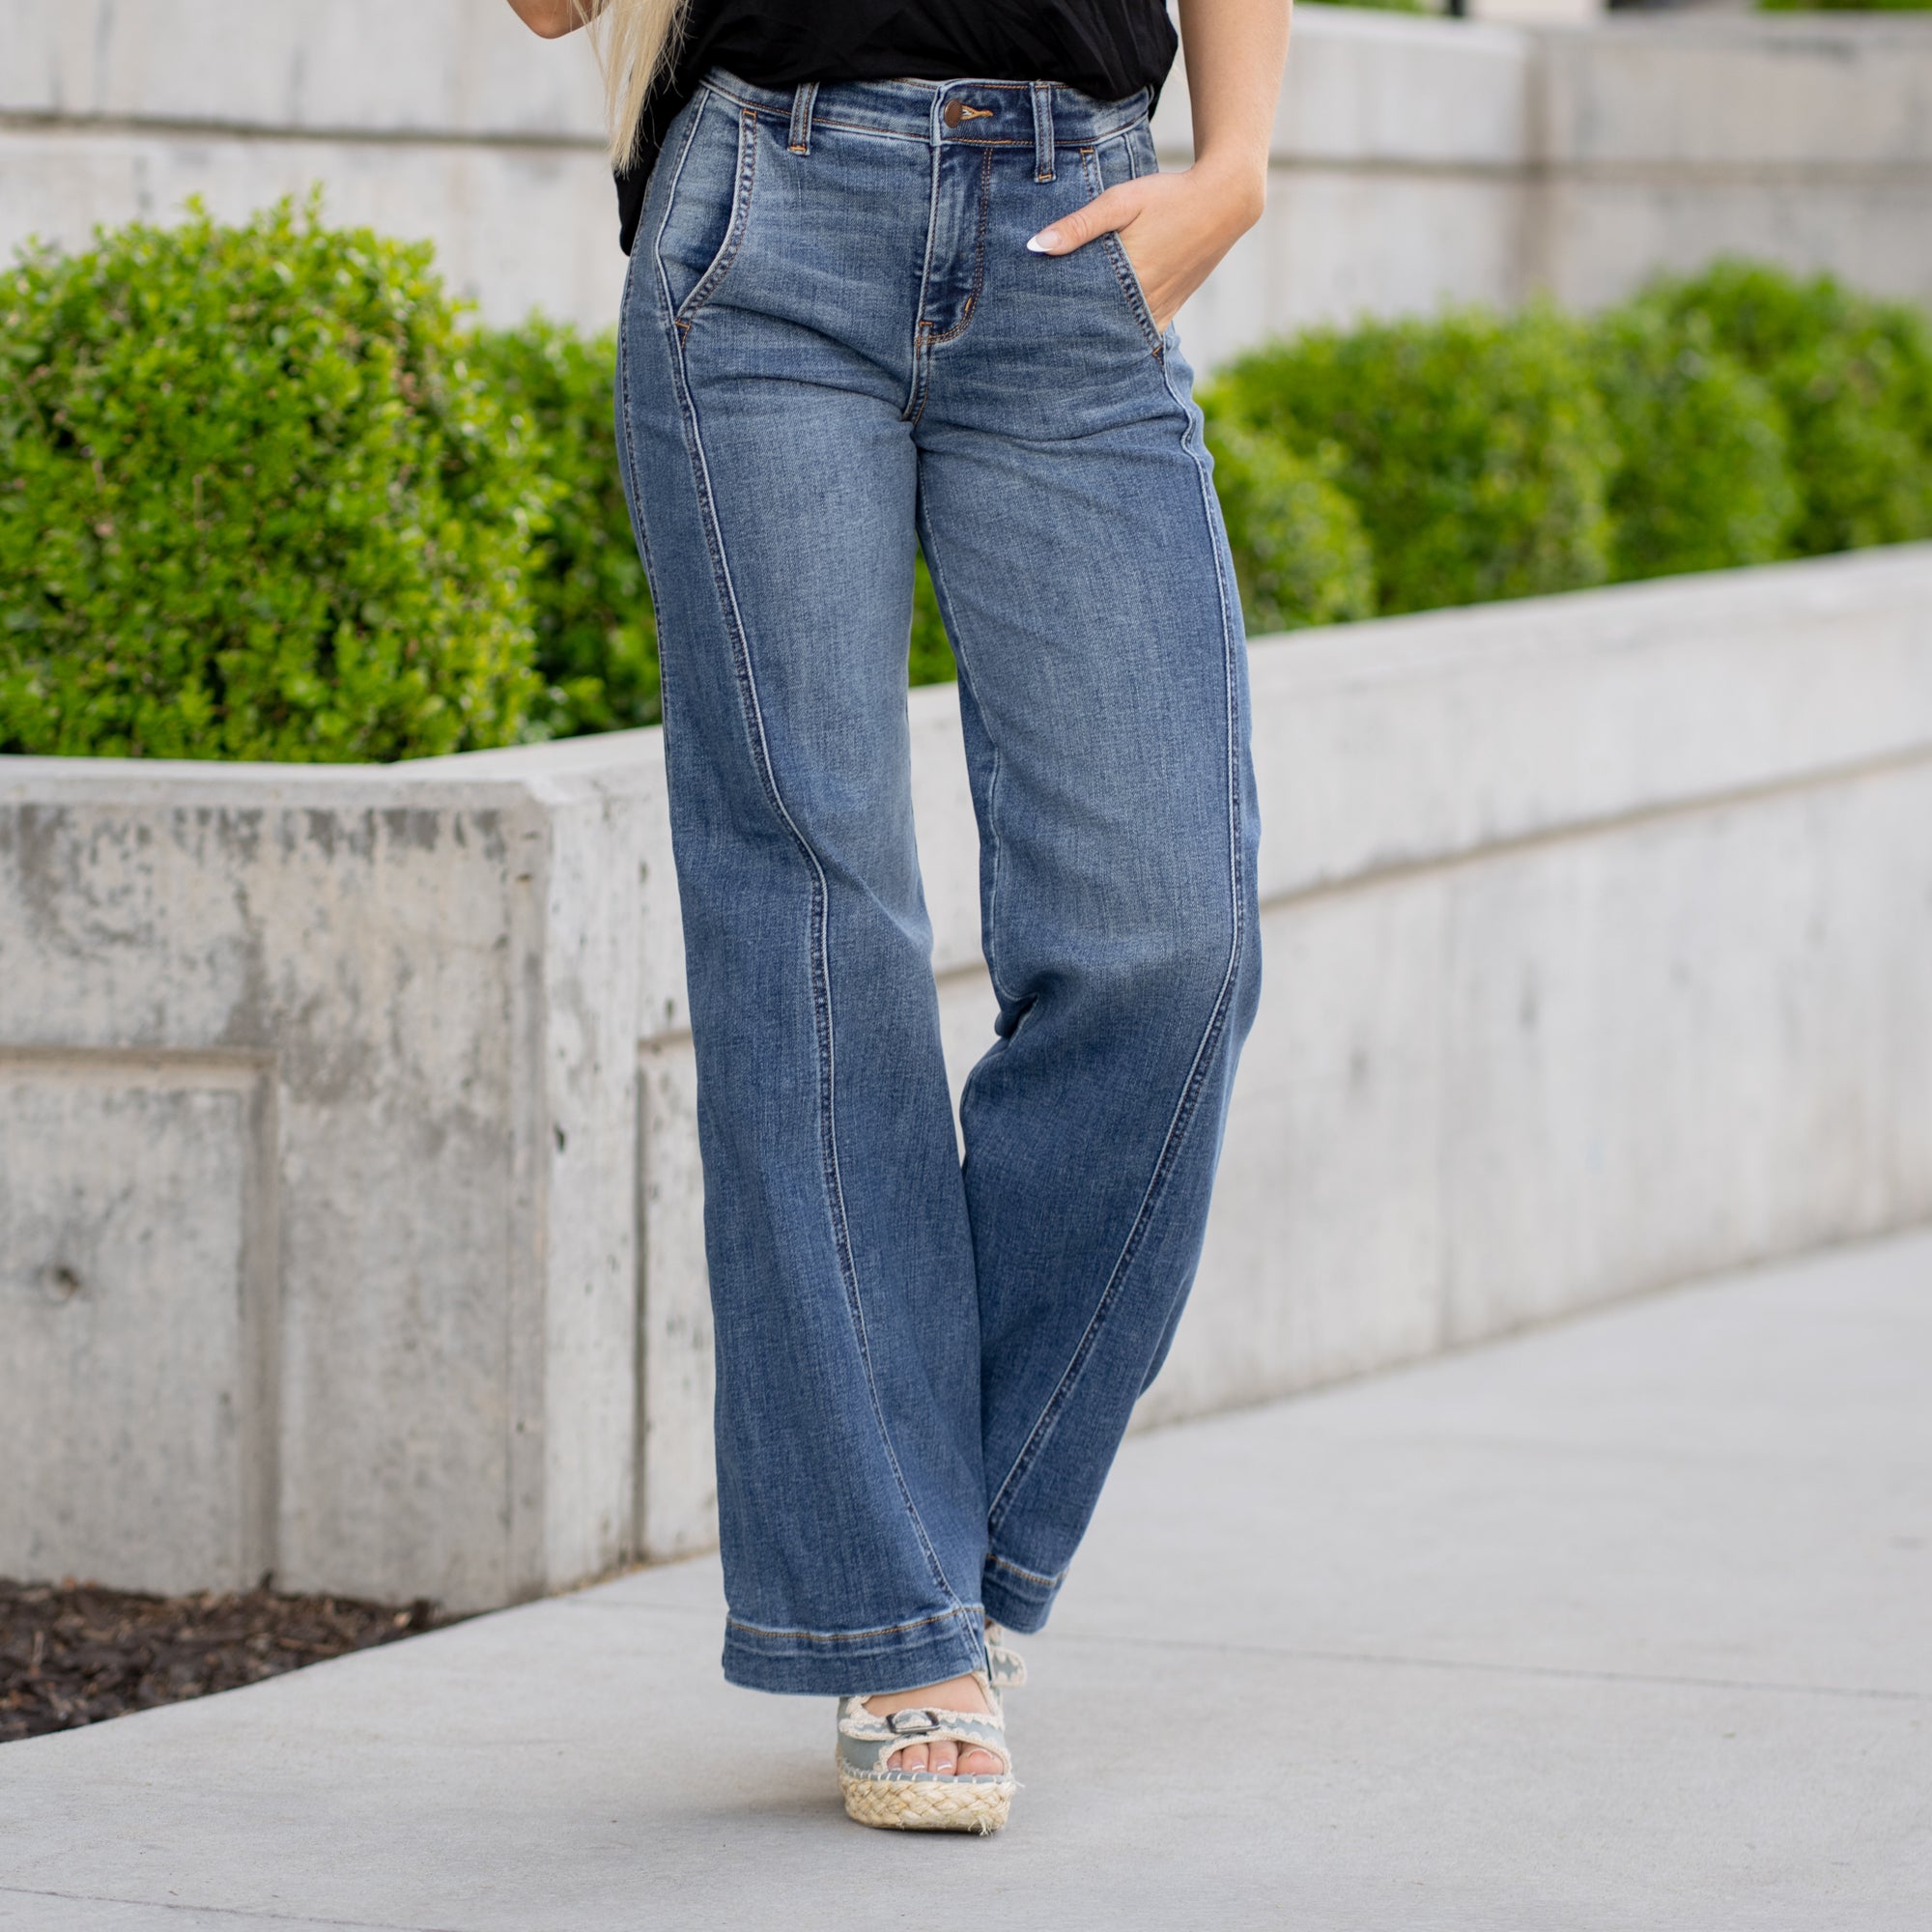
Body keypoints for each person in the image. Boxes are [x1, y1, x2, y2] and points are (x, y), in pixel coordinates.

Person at [505, 0, 1288, 1834]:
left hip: (1076, 232)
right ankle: (907, 1623)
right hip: (764, 230)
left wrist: (1237, 166)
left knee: (1172, 940)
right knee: (815, 927)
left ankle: (937, 1555)